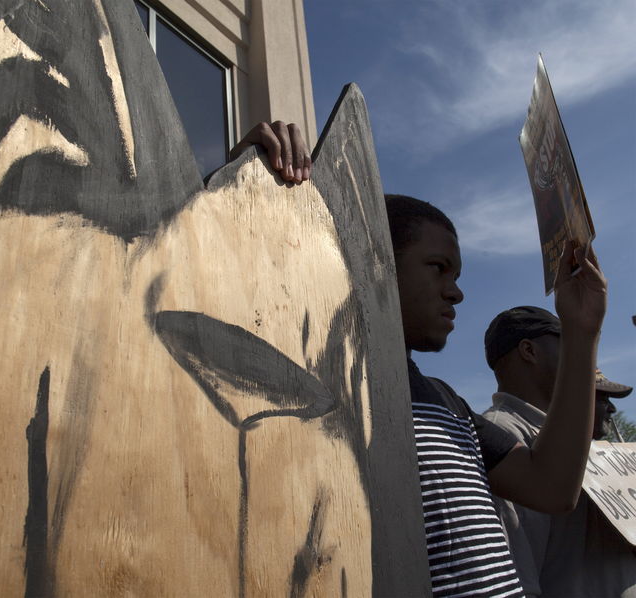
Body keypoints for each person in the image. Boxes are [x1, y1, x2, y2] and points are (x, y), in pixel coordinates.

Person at [233, 123, 608, 597]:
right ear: (376, 259)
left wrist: (581, 330)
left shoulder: (449, 405)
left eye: (457, 273)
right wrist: (243, 185)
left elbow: (554, 489)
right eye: (437, 268)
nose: (457, 291)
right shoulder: (311, 384)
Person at [482, 306, 636, 597]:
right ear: (529, 350)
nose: (580, 351)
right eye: (567, 340)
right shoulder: (502, 434)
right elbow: (517, 576)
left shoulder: (574, 439)